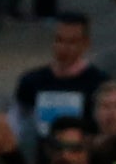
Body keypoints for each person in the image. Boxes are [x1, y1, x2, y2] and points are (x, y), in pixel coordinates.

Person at [12, 13, 110, 146]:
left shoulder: (100, 83)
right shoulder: (31, 81)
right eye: (59, 40)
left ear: (86, 44)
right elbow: (17, 123)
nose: (64, 47)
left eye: (72, 42)